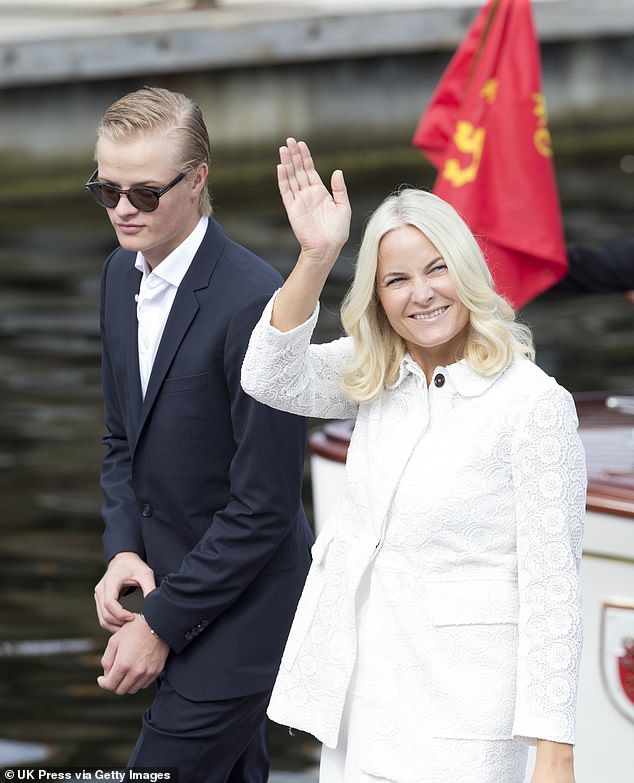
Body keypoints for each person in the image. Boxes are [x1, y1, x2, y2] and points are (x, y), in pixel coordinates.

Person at [241, 138, 587, 783]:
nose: (421, 294)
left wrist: (554, 753)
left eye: (436, 269)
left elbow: (553, 590)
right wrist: (317, 256)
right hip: (363, 705)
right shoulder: (375, 371)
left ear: (467, 272)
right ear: (377, 296)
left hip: (470, 721)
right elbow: (269, 376)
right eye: (397, 279)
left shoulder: (534, 404)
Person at [88, 89, 312, 783]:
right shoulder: (116, 273)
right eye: (106, 189)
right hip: (172, 591)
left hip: (246, 617)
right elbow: (122, 438)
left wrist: (158, 624)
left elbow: (265, 505)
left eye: (146, 192)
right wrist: (123, 546)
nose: (124, 209)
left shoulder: (255, 301)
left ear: (199, 179)